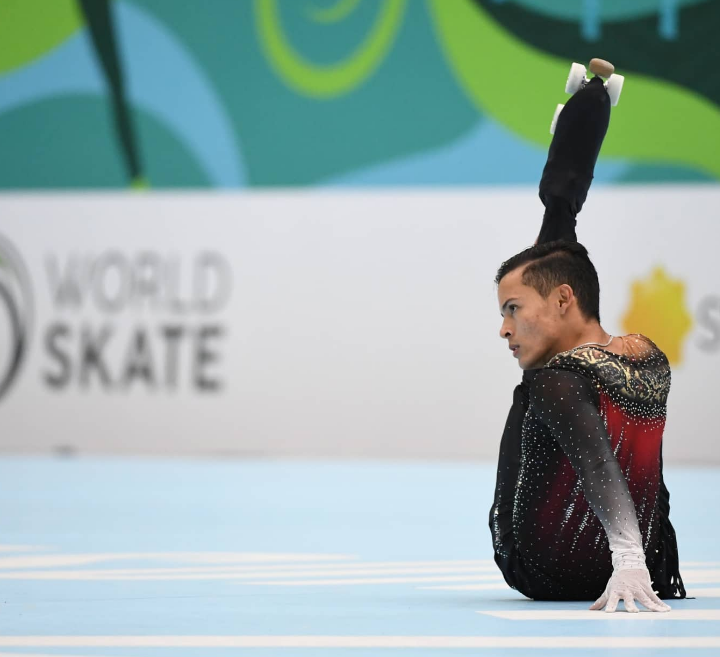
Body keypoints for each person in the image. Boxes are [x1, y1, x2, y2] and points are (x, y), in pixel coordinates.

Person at [489, 71, 686, 612]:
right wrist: (651, 553)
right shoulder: (647, 354)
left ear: (565, 302)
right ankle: (584, 115)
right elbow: (648, 474)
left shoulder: (555, 379)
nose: (503, 329)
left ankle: (582, 117)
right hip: (647, 559)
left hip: (547, 569)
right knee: (555, 240)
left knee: (545, 375)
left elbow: (598, 460)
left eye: (511, 311)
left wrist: (629, 557)